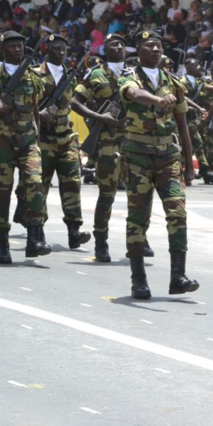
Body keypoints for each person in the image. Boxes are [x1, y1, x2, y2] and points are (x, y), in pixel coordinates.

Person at [118, 30, 199, 299]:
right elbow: (134, 94)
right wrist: (157, 100)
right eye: (149, 46)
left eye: (159, 46)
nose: (155, 50)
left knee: (178, 213)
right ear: (138, 50)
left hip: (167, 157)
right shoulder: (130, 76)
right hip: (138, 156)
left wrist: (189, 163)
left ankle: (178, 276)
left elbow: (183, 125)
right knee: (138, 218)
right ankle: (138, 279)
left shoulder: (173, 82)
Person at [0, 30, 51, 263]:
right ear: (3, 49)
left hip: (28, 141)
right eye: (12, 46)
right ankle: (2, 242)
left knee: (35, 183)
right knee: (1, 192)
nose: (18, 50)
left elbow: (35, 109)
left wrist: (38, 137)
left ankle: (34, 238)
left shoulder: (33, 77)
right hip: (1, 142)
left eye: (20, 46)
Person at [73, 33, 127, 262]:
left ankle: (139, 240)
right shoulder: (95, 74)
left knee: (139, 195)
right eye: (113, 44)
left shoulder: (134, 74)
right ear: (105, 49)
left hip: (133, 141)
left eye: (122, 43)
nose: (119, 46)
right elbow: (75, 101)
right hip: (106, 142)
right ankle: (101, 242)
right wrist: (98, 117)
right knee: (107, 194)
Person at [35, 34, 91, 250]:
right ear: (46, 50)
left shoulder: (71, 75)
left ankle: (74, 231)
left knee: (72, 184)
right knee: (40, 187)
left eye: (64, 49)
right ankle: (37, 231)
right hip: (43, 139)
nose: (61, 52)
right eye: (56, 48)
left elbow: (73, 103)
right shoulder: (34, 74)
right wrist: (39, 114)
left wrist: (95, 116)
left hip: (66, 137)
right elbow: (26, 104)